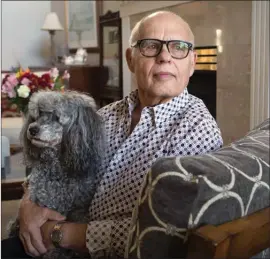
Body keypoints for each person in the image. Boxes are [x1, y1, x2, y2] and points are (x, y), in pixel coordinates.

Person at [2, 11, 223, 258]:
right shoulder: (103, 115)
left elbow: (165, 233)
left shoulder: (196, 130)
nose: (164, 57)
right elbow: (54, 163)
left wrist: (60, 233)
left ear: (192, 62)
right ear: (130, 59)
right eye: (150, 46)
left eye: (178, 47)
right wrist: (28, 203)